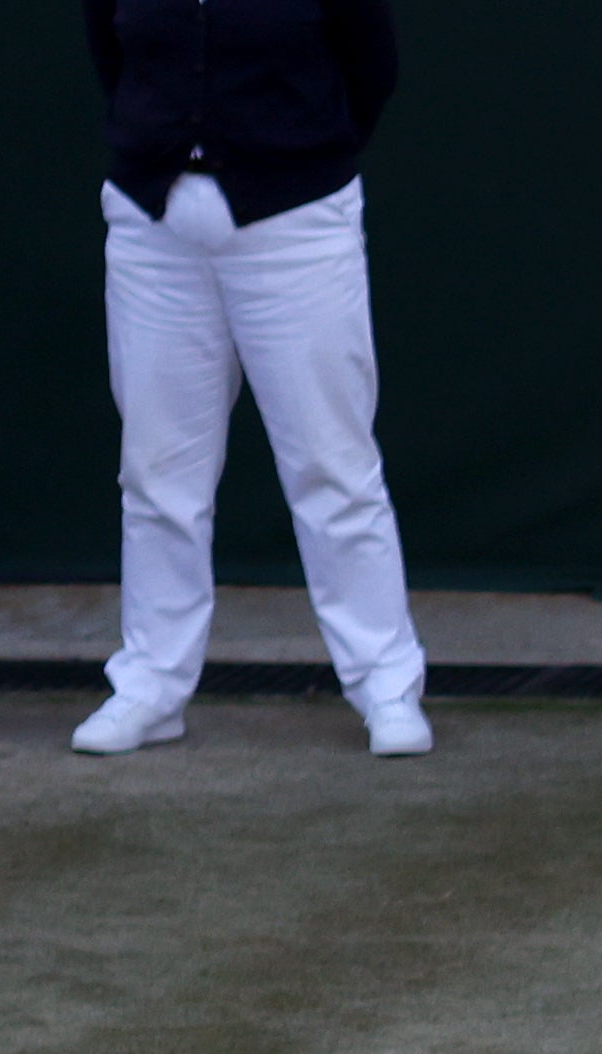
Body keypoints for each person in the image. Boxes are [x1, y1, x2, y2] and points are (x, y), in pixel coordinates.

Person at [76, 0, 427, 757]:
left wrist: (292, 155)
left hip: (298, 221)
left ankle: (386, 685)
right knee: (157, 471)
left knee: (332, 463)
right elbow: (111, 46)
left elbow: (372, 67)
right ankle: (151, 685)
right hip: (153, 224)